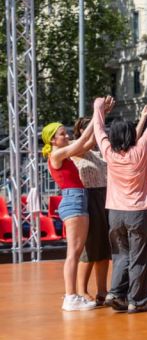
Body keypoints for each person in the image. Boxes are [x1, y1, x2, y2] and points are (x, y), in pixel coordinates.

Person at [91, 89, 147, 312]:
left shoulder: (109, 153)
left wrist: (99, 106)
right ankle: (138, 300)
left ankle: (116, 293)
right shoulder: (139, 151)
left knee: (121, 255)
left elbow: (98, 129)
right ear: (131, 136)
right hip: (137, 212)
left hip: (115, 213)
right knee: (139, 257)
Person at [43, 116, 98, 311]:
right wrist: (96, 114)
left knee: (75, 251)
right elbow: (82, 142)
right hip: (74, 200)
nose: (66, 136)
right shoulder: (56, 155)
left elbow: (87, 144)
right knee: (73, 253)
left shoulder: (63, 155)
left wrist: (100, 118)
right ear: (52, 140)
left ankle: (72, 295)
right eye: (62, 134)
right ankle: (71, 296)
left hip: (76, 199)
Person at [71, 117, 111, 304]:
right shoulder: (75, 148)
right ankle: (82, 290)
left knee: (104, 247)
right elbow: (85, 144)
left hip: (106, 197)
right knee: (90, 247)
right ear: (81, 130)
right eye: (90, 127)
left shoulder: (102, 150)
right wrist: (97, 122)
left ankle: (102, 290)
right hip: (88, 196)